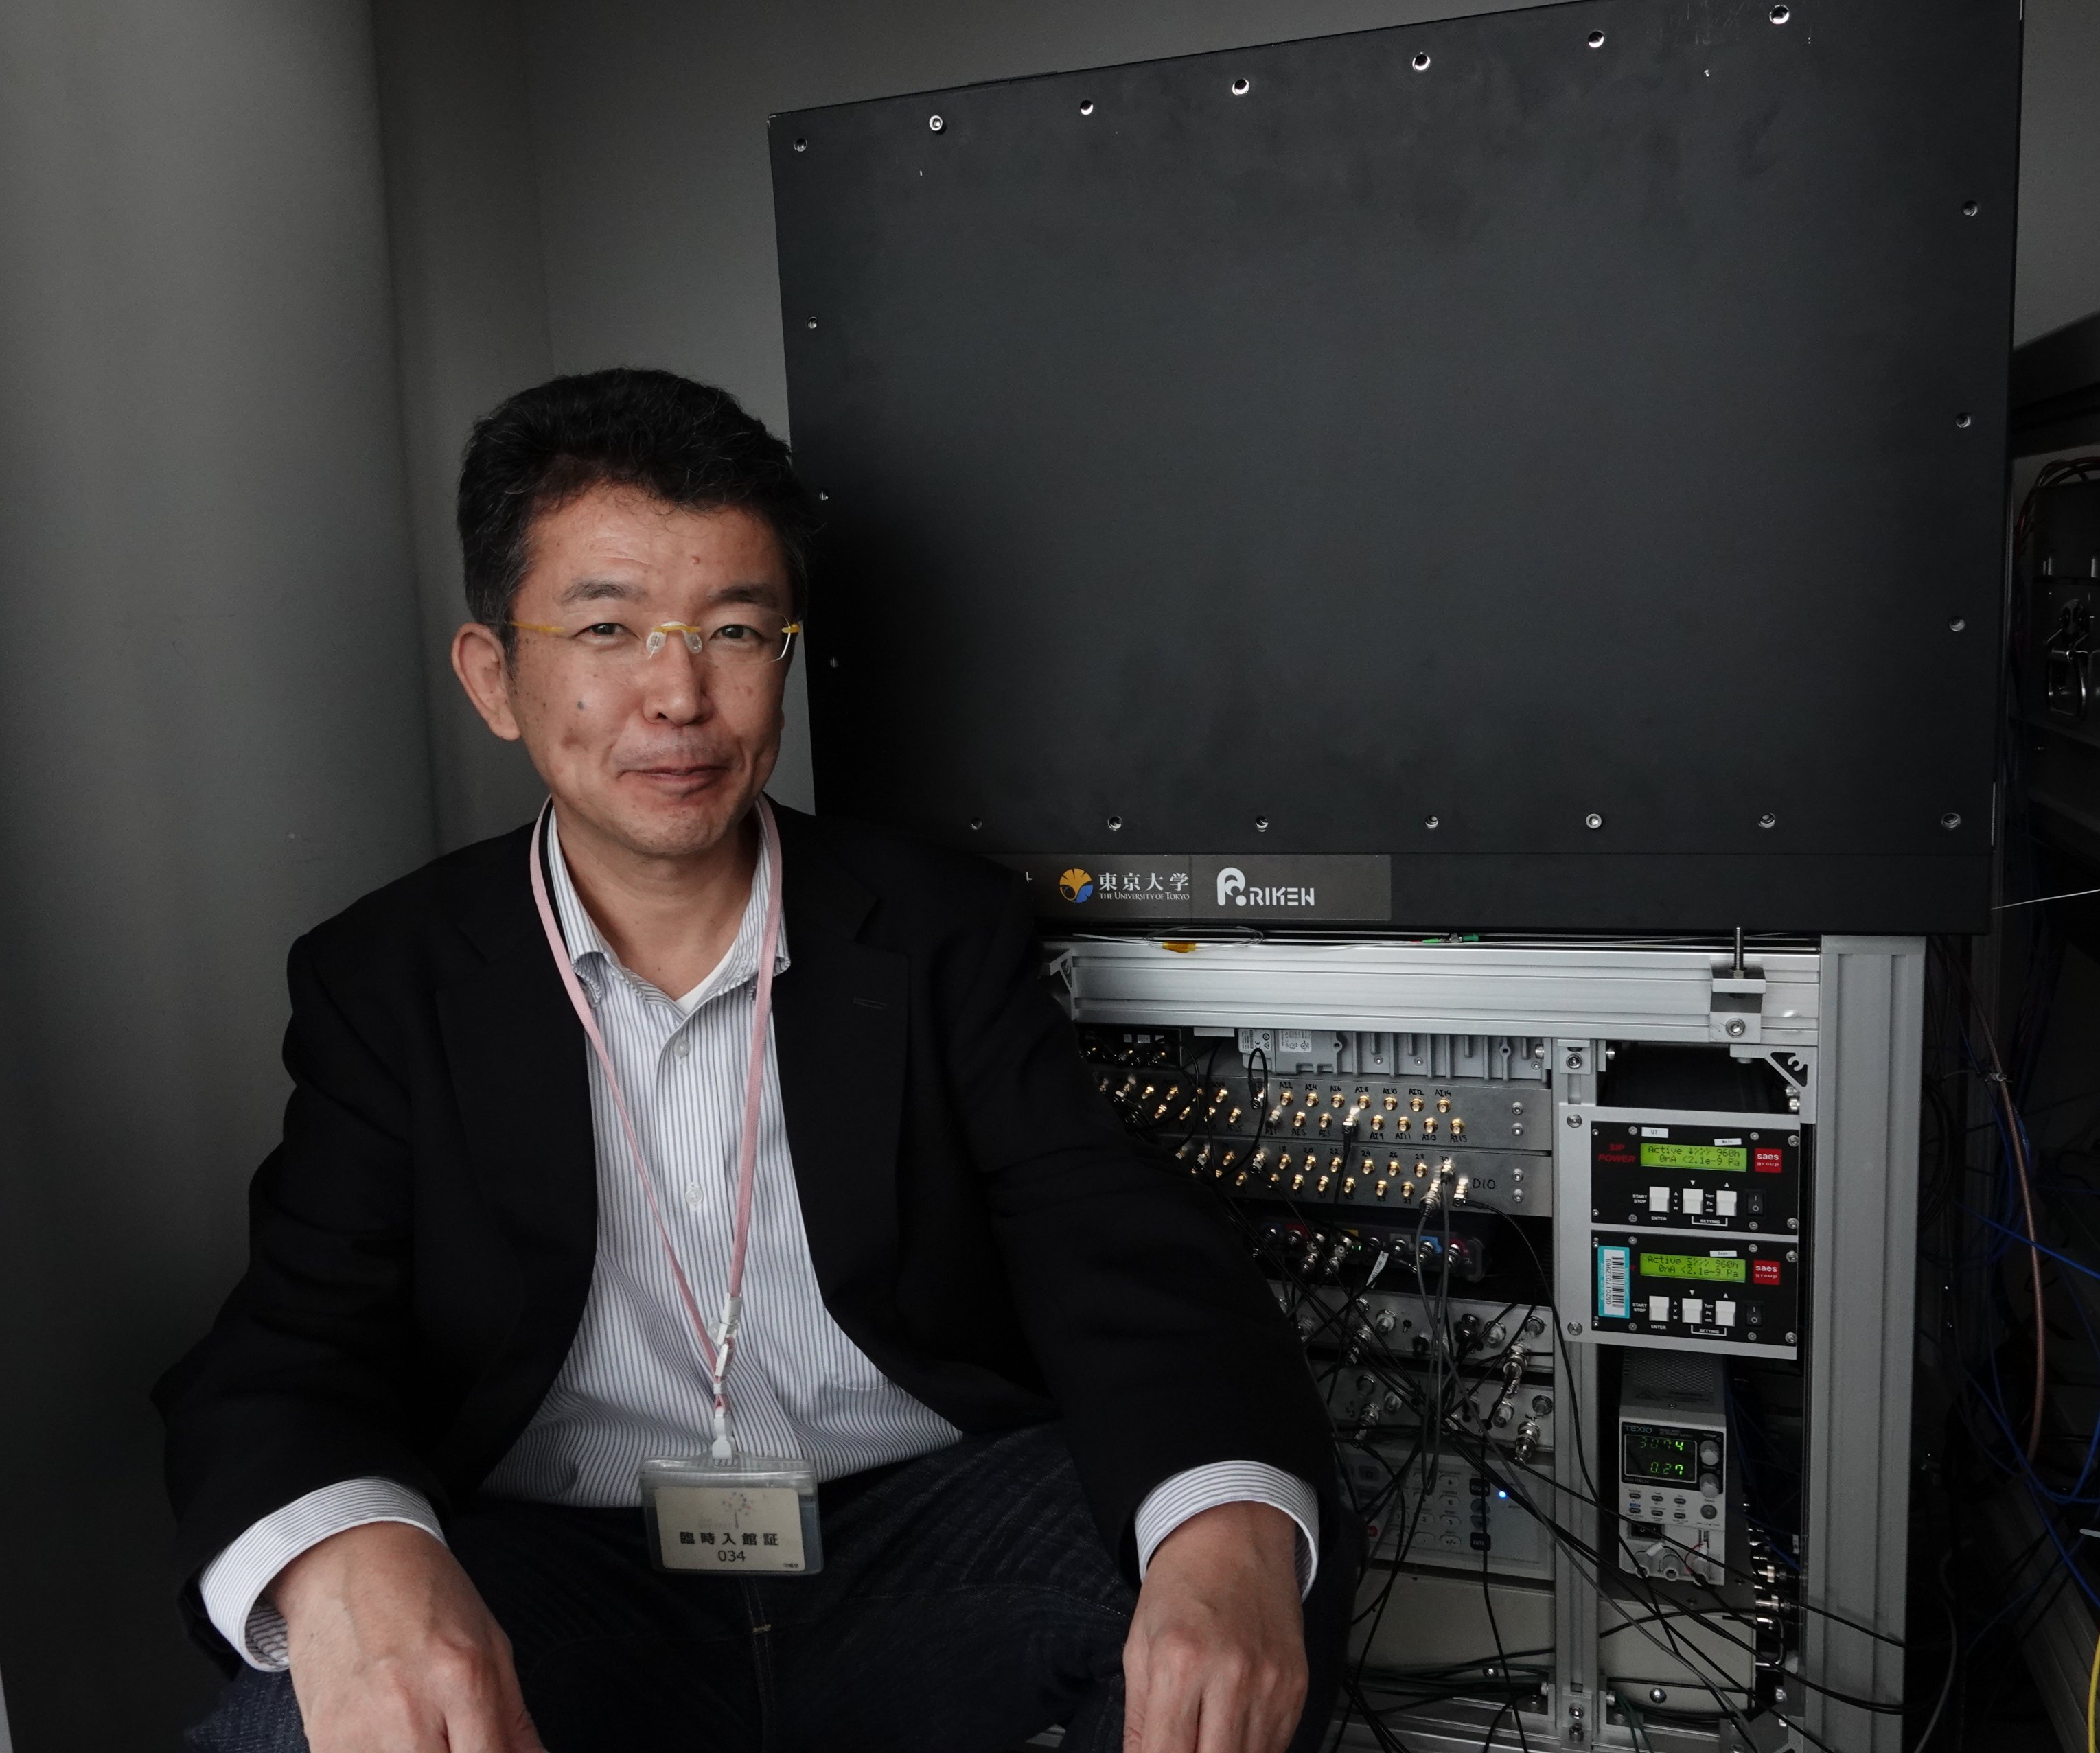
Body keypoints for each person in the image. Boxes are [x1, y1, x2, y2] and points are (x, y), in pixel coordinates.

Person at [158, 368, 1350, 1753]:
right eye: (606, 627)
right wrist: (352, 1555)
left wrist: (1223, 1524)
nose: (679, 694)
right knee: (289, 1721)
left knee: (1239, 1592)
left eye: (734, 628)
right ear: (495, 674)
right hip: (567, 1565)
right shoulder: (390, 974)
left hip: (914, 1533)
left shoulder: (934, 928)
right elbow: (292, 1337)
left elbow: (1115, 1246)